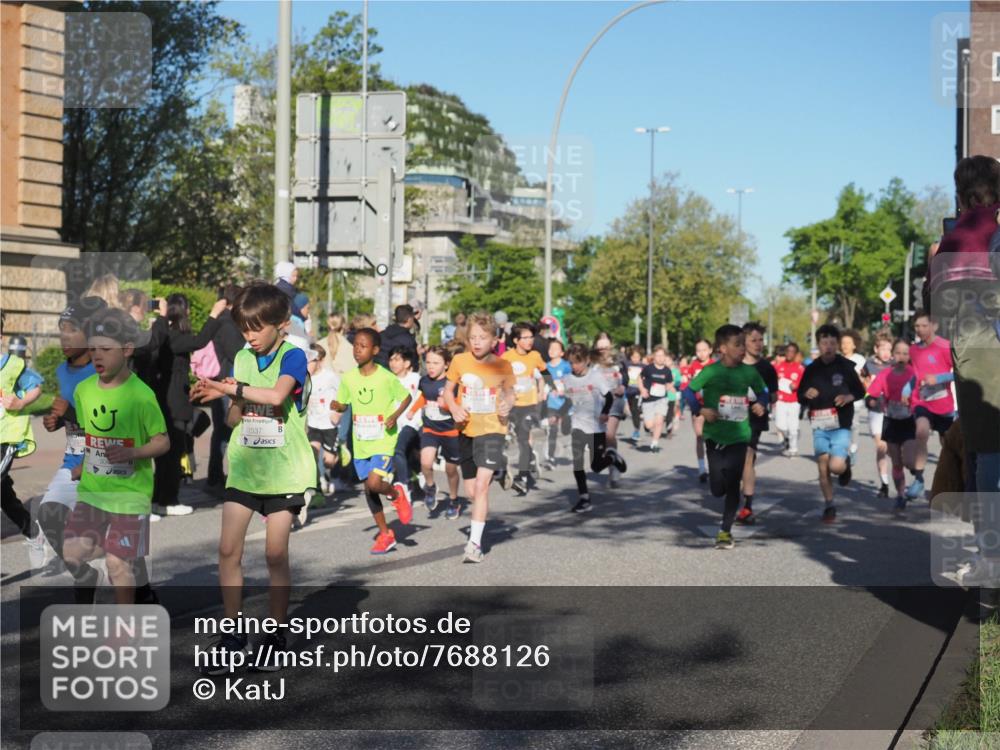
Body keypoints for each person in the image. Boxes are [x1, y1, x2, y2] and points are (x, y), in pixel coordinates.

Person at [191, 284, 315, 671]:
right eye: (244, 328)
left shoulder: (293, 356)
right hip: (246, 467)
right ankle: (233, 634)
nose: (249, 336)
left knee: (275, 554)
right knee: (228, 551)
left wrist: (232, 389)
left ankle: (276, 634)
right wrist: (223, 399)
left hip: (284, 470)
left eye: (256, 328)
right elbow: (237, 414)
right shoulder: (243, 358)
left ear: (282, 324)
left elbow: (278, 397)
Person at [62, 308, 169, 606]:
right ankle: (131, 568)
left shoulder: (141, 395)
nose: (97, 356)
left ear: (126, 350)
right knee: (72, 553)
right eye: (93, 349)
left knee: (117, 564)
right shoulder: (84, 391)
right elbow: (88, 436)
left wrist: (133, 452)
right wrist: (82, 463)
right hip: (93, 492)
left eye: (106, 350)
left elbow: (162, 442)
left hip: (130, 494)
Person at [926, 155, 1000, 585]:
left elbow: (933, 311)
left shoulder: (954, 241)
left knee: (986, 451)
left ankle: (991, 556)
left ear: (961, 192)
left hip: (974, 351)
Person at [29, 299, 105, 580]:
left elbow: (107, 421)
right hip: (72, 459)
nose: (64, 337)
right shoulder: (63, 370)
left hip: (103, 464)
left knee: (112, 552)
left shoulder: (102, 370)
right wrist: (58, 420)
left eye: (71, 330)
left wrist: (71, 411)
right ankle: (83, 574)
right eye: (61, 330)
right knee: (48, 514)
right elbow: (71, 418)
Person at [329, 328, 413, 555]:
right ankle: (385, 534)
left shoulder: (385, 376)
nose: (357, 350)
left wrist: (394, 416)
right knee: (369, 489)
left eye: (363, 346)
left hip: (383, 439)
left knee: (375, 483)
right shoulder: (349, 378)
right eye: (355, 345)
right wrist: (338, 406)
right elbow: (344, 403)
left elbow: (406, 397)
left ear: (375, 350)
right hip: (362, 441)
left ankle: (396, 494)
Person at [683, 325, 768, 549]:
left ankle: (725, 531)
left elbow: (763, 391)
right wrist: (700, 410)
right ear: (722, 349)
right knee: (716, 488)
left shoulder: (749, 372)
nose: (743, 349)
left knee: (732, 485)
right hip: (714, 437)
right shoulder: (711, 371)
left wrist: (761, 403)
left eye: (743, 344)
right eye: (737, 345)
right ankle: (719, 492)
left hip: (740, 437)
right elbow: (688, 391)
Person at [442, 311, 516, 563]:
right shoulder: (460, 361)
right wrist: (453, 407)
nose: (476, 342)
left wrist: (507, 404)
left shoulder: (502, 365)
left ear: (494, 340)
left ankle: (474, 545)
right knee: (472, 490)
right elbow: (448, 391)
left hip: (493, 428)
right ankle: (501, 468)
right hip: (466, 429)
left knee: (482, 487)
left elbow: (510, 393)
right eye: (473, 337)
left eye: (482, 338)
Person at [151, 293, 228, 516]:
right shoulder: (173, 335)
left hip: (171, 398)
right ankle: (168, 501)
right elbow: (201, 340)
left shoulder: (167, 334)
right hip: (173, 402)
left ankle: (160, 500)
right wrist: (214, 314)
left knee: (168, 454)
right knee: (173, 453)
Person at [798, 324, 867, 523]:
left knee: (835, 467)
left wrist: (848, 396)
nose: (828, 346)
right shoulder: (811, 369)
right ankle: (829, 506)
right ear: (818, 344)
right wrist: (806, 394)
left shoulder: (845, 366)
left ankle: (844, 467)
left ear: (837, 345)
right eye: (824, 342)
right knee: (822, 467)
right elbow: (800, 396)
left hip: (841, 424)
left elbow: (860, 391)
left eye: (832, 343)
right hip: (819, 424)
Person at [561, 344, 628, 512]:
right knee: (577, 463)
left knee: (596, 466)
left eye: (578, 362)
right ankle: (584, 498)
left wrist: (605, 412)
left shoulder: (595, 376)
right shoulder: (568, 378)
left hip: (596, 426)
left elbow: (609, 397)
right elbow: (569, 400)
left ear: (587, 360)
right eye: (571, 363)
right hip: (578, 424)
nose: (574, 366)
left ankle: (611, 457)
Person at [904, 311, 955, 500]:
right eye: (917, 326)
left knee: (948, 446)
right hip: (921, 401)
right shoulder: (914, 350)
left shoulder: (944, 346)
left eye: (924, 325)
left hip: (944, 404)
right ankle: (918, 479)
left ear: (934, 326)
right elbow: (914, 375)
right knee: (921, 432)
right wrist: (906, 390)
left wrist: (939, 378)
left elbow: (959, 372)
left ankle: (951, 484)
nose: (920, 329)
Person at [865, 339, 919, 514]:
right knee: (896, 463)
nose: (901, 356)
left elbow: (920, 395)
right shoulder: (885, 374)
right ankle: (901, 496)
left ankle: (917, 478)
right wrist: (870, 400)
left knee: (909, 461)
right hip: (891, 421)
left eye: (905, 353)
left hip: (908, 421)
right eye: (898, 353)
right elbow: (872, 392)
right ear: (893, 355)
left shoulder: (913, 373)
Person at [407, 346, 462, 516]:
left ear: (446, 365)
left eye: (436, 363)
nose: (431, 366)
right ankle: (430, 487)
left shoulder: (452, 384)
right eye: (428, 362)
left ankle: (453, 500)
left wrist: (446, 405)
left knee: (451, 470)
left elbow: (459, 405)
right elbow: (424, 397)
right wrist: (413, 409)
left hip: (450, 431)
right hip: (430, 428)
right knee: (425, 463)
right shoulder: (424, 381)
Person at [502, 322, 555, 495]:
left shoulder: (535, 356)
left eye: (531, 337)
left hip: (528, 405)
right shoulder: (506, 357)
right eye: (525, 337)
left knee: (524, 440)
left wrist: (550, 388)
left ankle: (522, 478)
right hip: (509, 404)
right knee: (505, 439)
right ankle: (525, 462)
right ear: (516, 340)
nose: (530, 340)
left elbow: (546, 372)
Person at [1, 327, 43, 541]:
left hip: (7, 436)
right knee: (2, 492)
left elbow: (36, 386)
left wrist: (21, 401)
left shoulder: (13, 365)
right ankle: (30, 529)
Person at [736, 322, 778, 525]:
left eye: (761, 340)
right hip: (731, 419)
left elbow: (774, 395)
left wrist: (764, 402)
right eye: (753, 340)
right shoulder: (732, 364)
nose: (758, 344)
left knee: (747, 457)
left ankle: (747, 506)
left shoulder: (767, 368)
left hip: (754, 419)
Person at [206, 284, 246, 491]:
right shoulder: (228, 324)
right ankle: (215, 478)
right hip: (224, 383)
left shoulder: (222, 321)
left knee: (222, 431)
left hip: (220, 381)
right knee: (225, 431)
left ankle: (215, 477)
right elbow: (236, 354)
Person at [305, 343, 342, 503]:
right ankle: (318, 487)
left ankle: (337, 453)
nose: (309, 365)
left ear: (320, 360)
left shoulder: (330, 376)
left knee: (328, 461)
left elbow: (343, 395)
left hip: (329, 424)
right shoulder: (305, 378)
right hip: (313, 423)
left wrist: (337, 412)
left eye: (312, 361)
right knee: (313, 454)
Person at [861, 334, 894, 498]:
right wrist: (868, 397)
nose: (886, 352)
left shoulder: (896, 365)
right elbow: (862, 383)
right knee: (881, 447)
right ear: (876, 349)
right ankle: (884, 483)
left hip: (893, 411)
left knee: (893, 450)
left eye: (889, 349)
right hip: (875, 411)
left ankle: (897, 479)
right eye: (883, 348)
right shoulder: (869, 365)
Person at [593, 336, 628, 486]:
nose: (603, 351)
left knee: (609, 434)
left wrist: (623, 387)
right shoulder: (592, 362)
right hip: (597, 403)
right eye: (600, 349)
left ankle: (614, 473)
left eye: (605, 348)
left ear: (610, 347)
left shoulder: (619, 361)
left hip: (615, 401)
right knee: (600, 439)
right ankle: (613, 459)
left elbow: (626, 378)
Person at [388, 346, 423, 499]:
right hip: (394, 424)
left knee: (399, 450)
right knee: (404, 455)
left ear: (407, 363)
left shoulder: (416, 378)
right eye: (391, 360)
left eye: (397, 360)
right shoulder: (388, 380)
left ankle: (404, 486)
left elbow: (424, 398)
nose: (393, 363)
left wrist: (414, 412)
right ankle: (414, 478)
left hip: (412, 423)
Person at [638, 346, 675, 453]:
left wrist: (669, 387)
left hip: (661, 399)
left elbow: (670, 381)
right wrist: (642, 389)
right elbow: (639, 378)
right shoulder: (648, 368)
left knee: (659, 421)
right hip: (648, 400)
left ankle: (655, 443)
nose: (660, 358)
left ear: (665, 357)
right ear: (654, 357)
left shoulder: (667, 371)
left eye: (662, 356)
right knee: (649, 425)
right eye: (658, 355)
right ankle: (647, 426)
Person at [543, 338, 572, 469]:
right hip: (552, 403)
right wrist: (543, 392)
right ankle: (551, 458)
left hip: (565, 403)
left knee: (566, 430)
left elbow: (572, 381)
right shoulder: (546, 367)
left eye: (556, 348)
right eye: (550, 348)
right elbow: (543, 382)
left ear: (561, 353)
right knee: (552, 429)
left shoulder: (566, 366)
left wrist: (564, 389)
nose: (552, 351)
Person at [689, 339, 715, 482]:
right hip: (698, 407)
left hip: (712, 407)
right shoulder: (693, 366)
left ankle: (713, 466)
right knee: (700, 436)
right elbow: (688, 387)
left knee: (712, 438)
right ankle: (701, 469)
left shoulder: (716, 366)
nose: (701, 353)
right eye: (698, 350)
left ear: (710, 350)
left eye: (704, 350)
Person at [774, 342, 805, 457]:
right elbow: (772, 381)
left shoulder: (800, 368)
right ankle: (786, 438)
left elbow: (805, 384)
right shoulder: (778, 366)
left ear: (796, 354)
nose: (789, 354)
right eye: (788, 351)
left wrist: (796, 385)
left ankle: (793, 448)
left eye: (792, 352)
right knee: (780, 425)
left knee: (793, 427)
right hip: (781, 400)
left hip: (794, 401)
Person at [624, 346, 645, 441]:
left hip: (638, 391)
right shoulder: (627, 365)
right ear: (630, 357)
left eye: (637, 357)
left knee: (635, 410)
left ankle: (636, 430)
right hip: (628, 391)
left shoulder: (643, 367)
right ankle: (635, 426)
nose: (635, 359)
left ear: (640, 357)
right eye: (633, 357)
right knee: (631, 411)